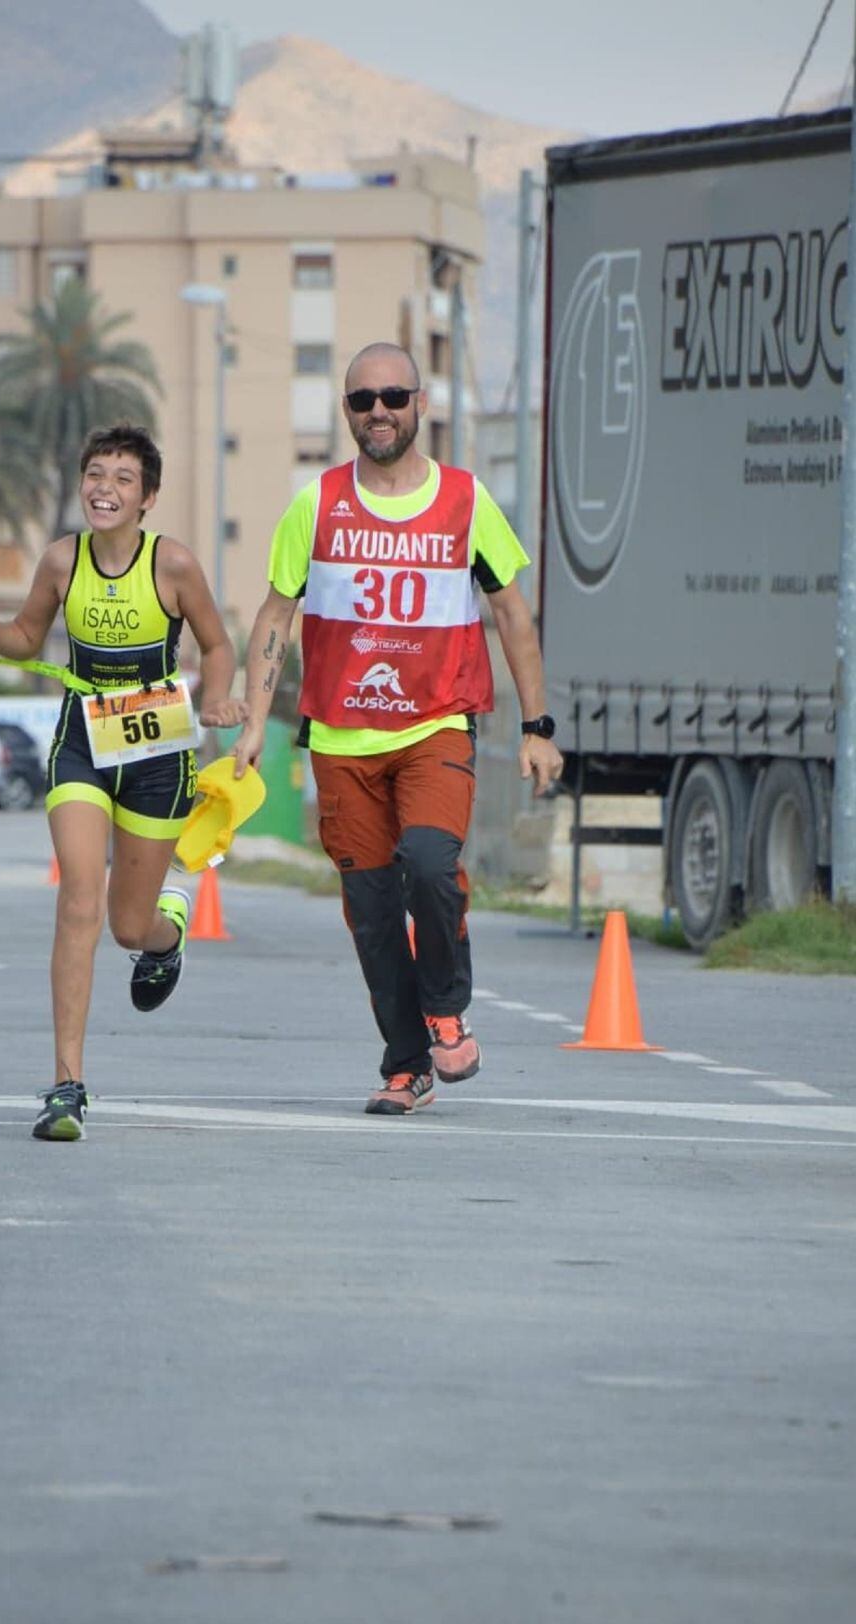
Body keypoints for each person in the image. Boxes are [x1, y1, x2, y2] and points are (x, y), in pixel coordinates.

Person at [233, 343, 563, 1116]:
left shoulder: (465, 500)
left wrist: (539, 726)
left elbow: (511, 611)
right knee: (374, 911)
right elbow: (276, 614)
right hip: (342, 739)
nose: (378, 411)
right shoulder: (315, 505)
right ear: (347, 413)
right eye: (361, 400)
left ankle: (447, 1005)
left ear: (420, 404)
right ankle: (406, 1062)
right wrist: (254, 724)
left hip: (436, 726)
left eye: (392, 396)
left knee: (428, 860)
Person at [0, 422, 245, 1143]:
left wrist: (218, 702)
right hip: (82, 742)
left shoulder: (171, 565)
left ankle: (166, 938)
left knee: (125, 926)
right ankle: (66, 1087)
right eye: (96, 474)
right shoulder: (59, 561)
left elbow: (218, 642)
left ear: (148, 499)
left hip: (157, 752)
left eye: (123, 479)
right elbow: (24, 639)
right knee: (79, 897)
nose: (105, 488)